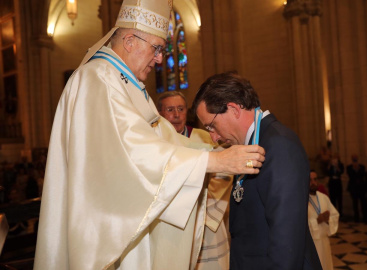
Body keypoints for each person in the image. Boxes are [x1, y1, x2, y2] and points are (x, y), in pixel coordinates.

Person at [33, 1, 265, 269]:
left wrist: (213, 153)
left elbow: (164, 139)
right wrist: (214, 163)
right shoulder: (98, 80)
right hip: (109, 228)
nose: (159, 59)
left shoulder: (125, 83)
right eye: (157, 48)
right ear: (130, 40)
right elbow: (131, 152)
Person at [193, 72, 322, 270]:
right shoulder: (251, 144)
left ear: (234, 109)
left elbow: (286, 241)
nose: (213, 137)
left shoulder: (279, 146)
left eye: (211, 126)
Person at [156, 90, 231, 270]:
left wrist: (199, 203)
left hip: (206, 217)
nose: (176, 115)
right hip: (171, 220)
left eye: (180, 109)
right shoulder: (155, 143)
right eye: (170, 109)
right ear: (160, 114)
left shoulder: (206, 137)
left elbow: (225, 174)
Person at [308, 170, 339, 270]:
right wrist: (317, 221)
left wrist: (328, 219)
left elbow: (335, 215)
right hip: (311, 245)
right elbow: (298, 226)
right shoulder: (302, 200)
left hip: (324, 242)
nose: (313, 183)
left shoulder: (323, 197)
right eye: (310, 180)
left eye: (315, 179)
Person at [346, 154, 367, 223]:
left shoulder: (362, 167)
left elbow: (363, 175)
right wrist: (354, 168)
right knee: (355, 203)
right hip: (353, 187)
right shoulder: (349, 167)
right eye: (353, 158)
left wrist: (358, 168)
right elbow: (350, 175)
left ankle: (365, 218)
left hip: (361, 187)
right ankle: (356, 218)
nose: (355, 159)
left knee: (363, 203)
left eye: (355, 158)